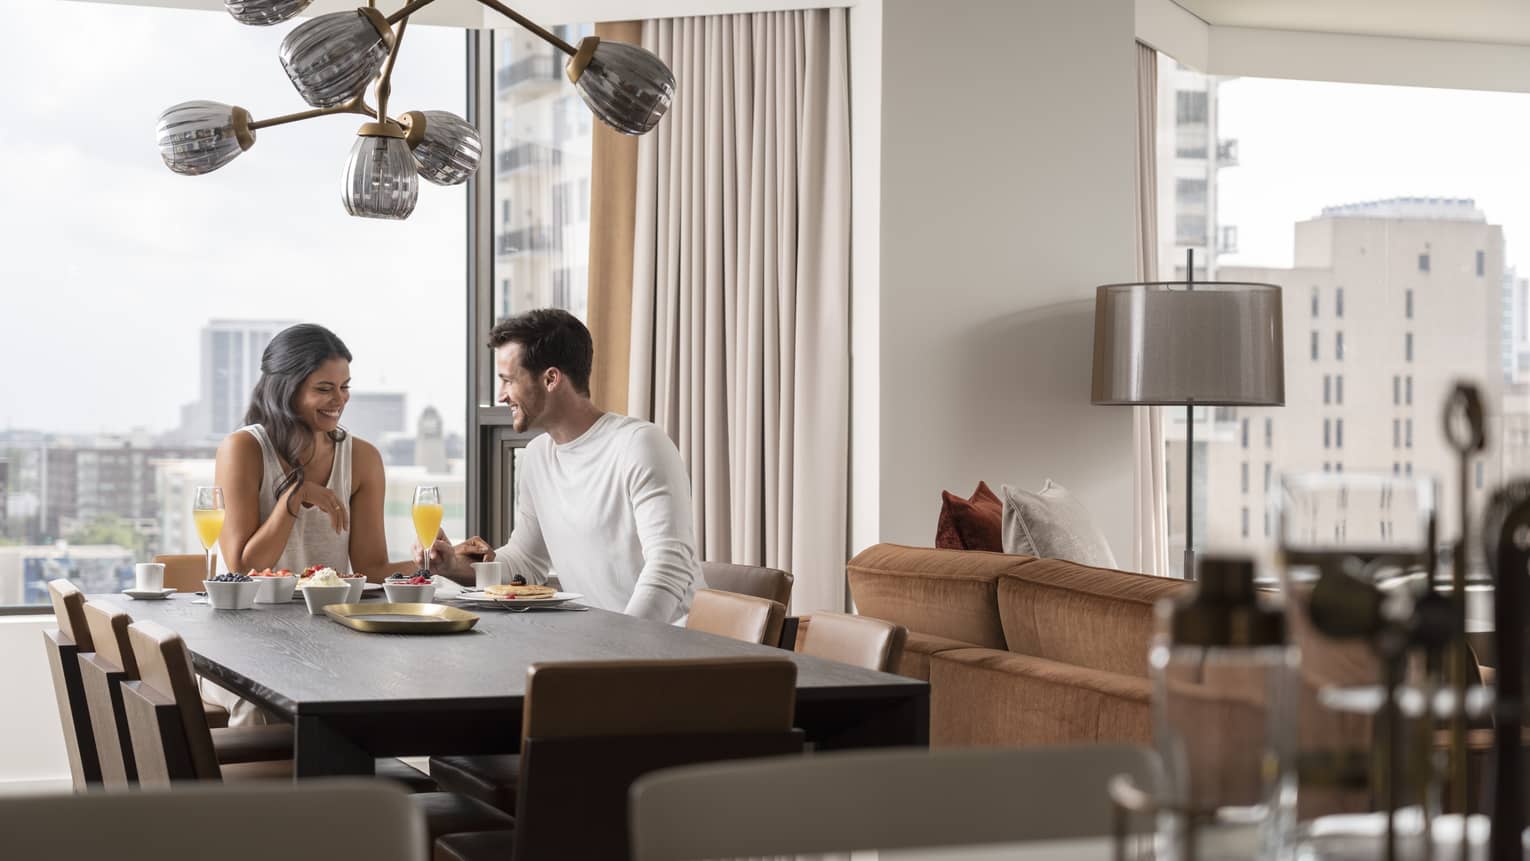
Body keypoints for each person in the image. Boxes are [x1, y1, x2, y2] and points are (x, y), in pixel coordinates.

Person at [418, 309, 704, 622]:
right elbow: (527, 560)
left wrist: (622, 652)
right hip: (602, 645)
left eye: (508, 381)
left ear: (551, 378)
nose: (502, 396)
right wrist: (455, 567)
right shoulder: (538, 456)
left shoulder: (639, 444)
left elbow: (669, 565)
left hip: (676, 646)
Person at [208, 323, 405, 723]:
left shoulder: (362, 458)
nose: (339, 400)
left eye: (345, 386)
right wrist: (294, 498)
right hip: (240, 641)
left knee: (379, 690)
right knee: (262, 703)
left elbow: (371, 569)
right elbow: (242, 567)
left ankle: (341, 786)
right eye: (324, 388)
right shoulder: (243, 449)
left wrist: (431, 564)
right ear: (287, 388)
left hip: (324, 640)